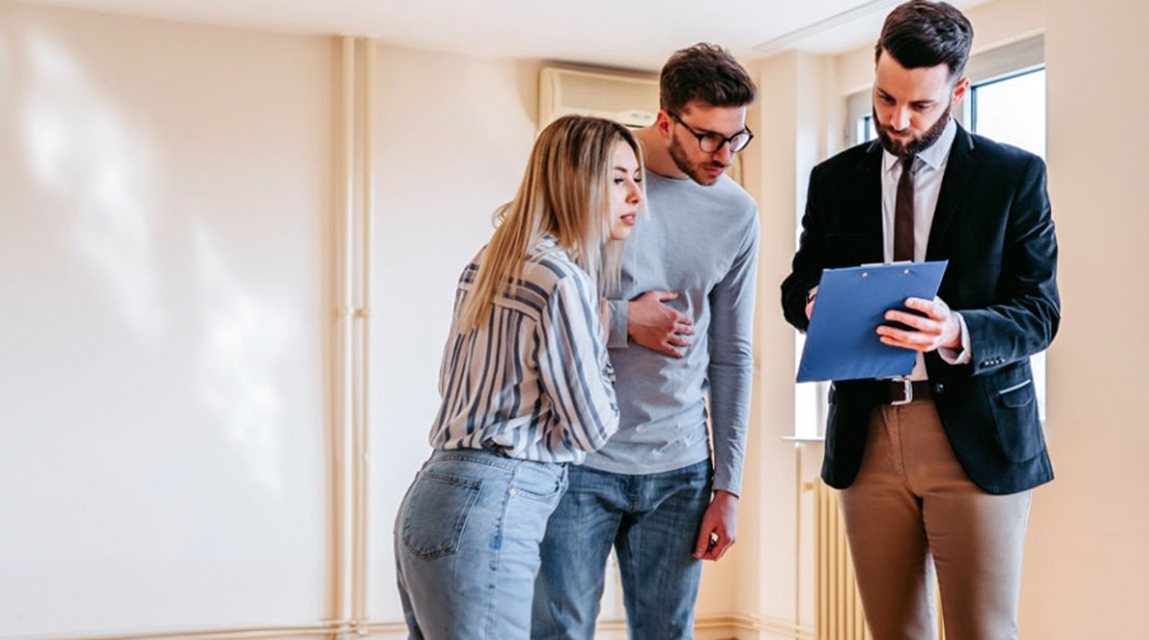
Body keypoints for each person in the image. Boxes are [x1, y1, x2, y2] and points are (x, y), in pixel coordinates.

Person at [778, 2, 1060, 639]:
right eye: (885, 99)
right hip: (865, 432)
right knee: (893, 632)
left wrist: (956, 330)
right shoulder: (834, 180)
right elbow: (797, 283)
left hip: (976, 436)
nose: (898, 121)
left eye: (920, 106)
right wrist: (811, 303)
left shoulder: (1013, 177)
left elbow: (1040, 312)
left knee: (981, 631)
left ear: (957, 90)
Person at [531, 43, 760, 640]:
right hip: (579, 459)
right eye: (710, 137)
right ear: (666, 121)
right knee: (558, 633)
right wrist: (621, 321)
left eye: (737, 138)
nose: (726, 156)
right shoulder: (592, 178)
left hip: (681, 469)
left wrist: (728, 486)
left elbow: (733, 355)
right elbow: (525, 300)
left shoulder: (738, 213)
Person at [394, 114, 643, 640]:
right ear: (574, 180)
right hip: (493, 502)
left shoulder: (484, 264)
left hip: (431, 495)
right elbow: (592, 428)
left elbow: (456, 385)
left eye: (637, 178)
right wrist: (598, 337)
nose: (636, 194)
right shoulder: (561, 281)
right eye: (618, 178)